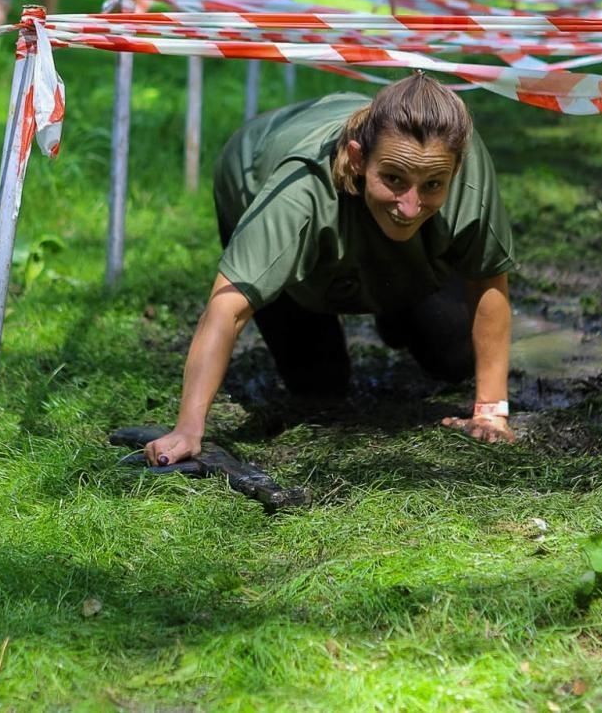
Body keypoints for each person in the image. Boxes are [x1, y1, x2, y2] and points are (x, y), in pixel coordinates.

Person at [143, 74, 518, 467]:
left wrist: (491, 410)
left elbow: (487, 276)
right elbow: (229, 307)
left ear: (456, 169)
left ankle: (397, 308)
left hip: (392, 236)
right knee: (319, 387)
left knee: (454, 357)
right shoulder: (300, 191)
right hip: (256, 167)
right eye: (393, 179)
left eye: (433, 185)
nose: (411, 205)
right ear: (358, 159)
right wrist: (188, 428)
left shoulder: (463, 162)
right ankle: (375, 303)